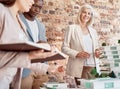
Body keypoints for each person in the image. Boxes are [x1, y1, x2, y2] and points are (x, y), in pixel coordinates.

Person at [0, 0, 58, 89]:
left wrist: (47, 68)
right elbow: (22, 57)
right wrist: (29, 55)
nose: (33, 1)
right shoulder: (1, 11)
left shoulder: (19, 22)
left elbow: (20, 59)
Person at [61, 4, 101, 86]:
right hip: (80, 67)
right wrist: (77, 54)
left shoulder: (93, 31)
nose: (87, 15)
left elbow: (97, 48)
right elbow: (64, 47)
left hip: (94, 67)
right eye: (84, 12)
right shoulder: (71, 28)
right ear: (80, 13)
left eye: (89, 13)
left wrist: (98, 52)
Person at [19, 0, 48, 88]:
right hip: (25, 69)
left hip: (40, 69)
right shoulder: (17, 19)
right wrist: (36, 45)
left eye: (40, 7)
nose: (37, 10)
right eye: (35, 6)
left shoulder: (41, 26)